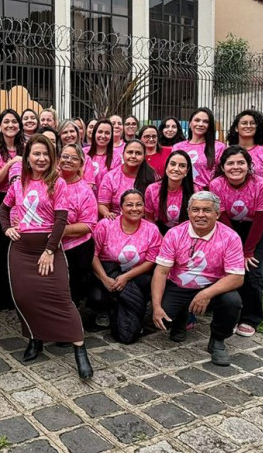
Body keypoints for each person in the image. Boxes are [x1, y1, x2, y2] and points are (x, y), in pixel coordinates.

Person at [0, 135, 93, 379]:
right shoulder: (19, 182)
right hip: (20, 249)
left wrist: (50, 250)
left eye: (46, 154)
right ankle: (35, 338)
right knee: (25, 296)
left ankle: (79, 349)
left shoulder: (57, 182)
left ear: (51, 158)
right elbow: (3, 207)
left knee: (62, 297)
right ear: (27, 158)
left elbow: (61, 219)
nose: (41, 159)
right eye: (36, 154)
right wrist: (6, 228)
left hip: (49, 247)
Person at [151, 191, 245, 367]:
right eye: (195, 210)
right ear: (188, 212)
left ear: (217, 214)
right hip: (179, 285)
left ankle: (217, 340)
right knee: (161, 320)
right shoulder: (174, 234)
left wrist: (206, 293)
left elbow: (237, 277)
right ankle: (181, 319)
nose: (200, 215)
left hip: (213, 286)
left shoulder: (230, 237)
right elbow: (161, 272)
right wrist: (156, 307)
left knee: (232, 301)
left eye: (207, 210)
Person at [209, 146, 263, 338]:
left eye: (241, 163)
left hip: (256, 228)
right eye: (230, 163)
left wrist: (248, 251)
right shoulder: (216, 184)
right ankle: (232, 309)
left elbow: (262, 218)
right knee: (229, 267)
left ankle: (251, 317)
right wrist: (236, 247)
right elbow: (224, 216)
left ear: (249, 165)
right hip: (229, 226)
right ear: (223, 166)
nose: (236, 167)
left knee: (251, 270)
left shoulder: (260, 184)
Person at [90, 190, 162, 341]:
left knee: (147, 283)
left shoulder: (152, 229)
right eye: (129, 205)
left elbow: (150, 261)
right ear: (121, 208)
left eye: (139, 205)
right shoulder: (106, 225)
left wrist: (125, 277)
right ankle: (108, 308)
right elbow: (93, 254)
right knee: (97, 297)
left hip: (136, 275)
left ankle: (126, 313)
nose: (134, 209)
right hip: (108, 272)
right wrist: (104, 278)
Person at [226, 109, 263, 284]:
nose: (248, 126)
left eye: (252, 123)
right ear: (236, 128)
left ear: (258, 127)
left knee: (262, 254)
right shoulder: (228, 152)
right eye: (244, 123)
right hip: (231, 214)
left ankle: (258, 292)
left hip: (260, 213)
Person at [0, 109, 24, 310]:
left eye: (14, 121)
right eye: (6, 121)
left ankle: (19, 296)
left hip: (22, 201)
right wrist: (11, 164)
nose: (10, 125)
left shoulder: (26, 148)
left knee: (18, 248)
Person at [58, 144, 98, 309]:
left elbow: (89, 225)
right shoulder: (49, 182)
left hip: (77, 247)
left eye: (74, 158)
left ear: (81, 164)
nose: (68, 161)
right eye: (65, 156)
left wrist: (60, 231)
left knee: (72, 289)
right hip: (50, 245)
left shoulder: (84, 191)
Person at [97, 140, 158, 219]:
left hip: (143, 221)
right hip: (116, 221)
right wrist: (107, 213)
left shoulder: (153, 176)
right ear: (123, 155)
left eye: (138, 153)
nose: (133, 156)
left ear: (144, 157)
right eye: (130, 152)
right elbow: (102, 204)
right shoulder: (110, 177)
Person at [145, 150, 197, 235]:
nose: (176, 169)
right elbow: (149, 219)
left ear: (187, 171)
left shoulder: (196, 191)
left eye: (182, 166)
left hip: (187, 233)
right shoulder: (152, 189)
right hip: (159, 232)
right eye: (172, 164)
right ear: (166, 167)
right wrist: (160, 238)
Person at [173, 108, 226, 189]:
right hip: (182, 193)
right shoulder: (178, 147)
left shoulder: (219, 147)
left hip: (207, 195)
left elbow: (222, 175)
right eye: (197, 120)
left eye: (205, 121)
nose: (200, 124)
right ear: (190, 123)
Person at [85, 119, 117, 191]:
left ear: (111, 136)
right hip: (85, 198)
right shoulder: (83, 153)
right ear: (94, 133)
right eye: (100, 132)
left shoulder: (116, 157)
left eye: (107, 133)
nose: (103, 136)